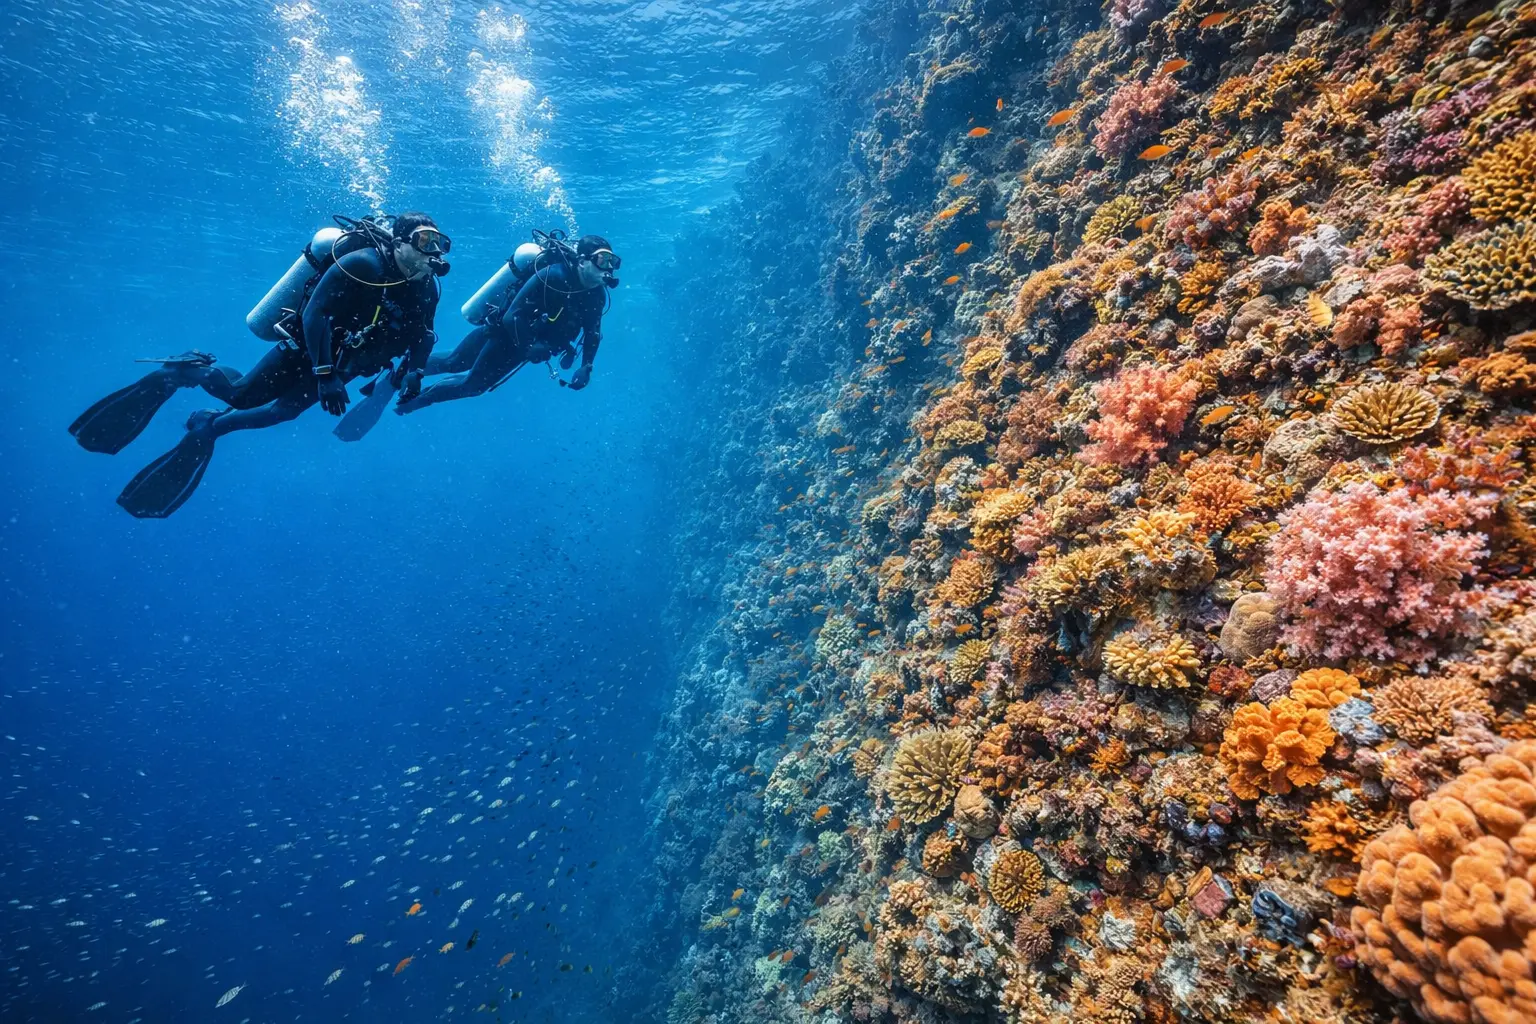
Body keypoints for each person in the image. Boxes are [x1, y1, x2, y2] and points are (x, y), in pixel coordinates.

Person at [69, 212, 448, 517]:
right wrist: (324, 374)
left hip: (345, 362)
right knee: (243, 396)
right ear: (399, 242)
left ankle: (209, 424)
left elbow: (424, 335)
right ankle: (188, 370)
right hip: (308, 349)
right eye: (424, 241)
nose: (433, 252)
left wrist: (414, 372)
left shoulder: (426, 284)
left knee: (283, 413)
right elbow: (315, 313)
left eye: (438, 243)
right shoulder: (362, 264)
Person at [394, 234, 618, 414]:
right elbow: (513, 315)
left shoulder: (597, 295)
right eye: (603, 260)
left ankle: (406, 380)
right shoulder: (554, 276)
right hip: (504, 333)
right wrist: (529, 346)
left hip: (529, 345)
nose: (608, 268)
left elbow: (593, 332)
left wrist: (587, 365)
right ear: (582, 261)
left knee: (462, 372)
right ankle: (409, 393)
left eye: (612, 262)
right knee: (464, 376)